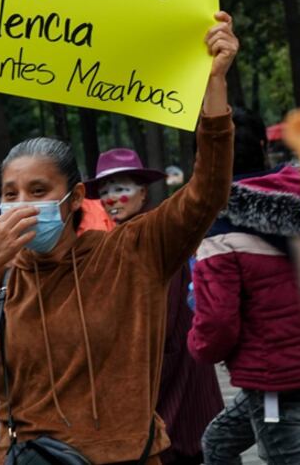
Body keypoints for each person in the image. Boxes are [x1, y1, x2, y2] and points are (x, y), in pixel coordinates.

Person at [0, 13, 238, 464]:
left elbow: (207, 191)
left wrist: (214, 84)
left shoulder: (131, 251)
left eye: (39, 191)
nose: (22, 203)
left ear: (75, 197)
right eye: (11, 194)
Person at [189, 108, 300, 465]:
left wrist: (198, 347)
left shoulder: (218, 228)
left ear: (203, 161)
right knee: (217, 442)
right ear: (264, 146)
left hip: (274, 377)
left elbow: (217, 321)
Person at [83, 148, 223, 465]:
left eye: (121, 189)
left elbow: (160, 314)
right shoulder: (117, 240)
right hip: (152, 365)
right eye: (104, 192)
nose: (111, 199)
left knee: (180, 446)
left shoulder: (155, 234)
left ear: (143, 192)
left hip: (169, 363)